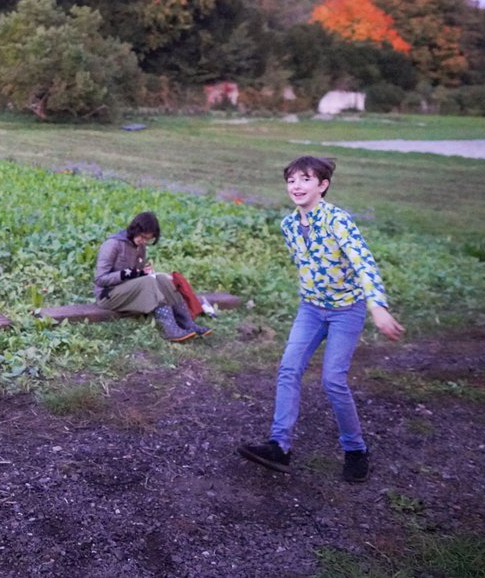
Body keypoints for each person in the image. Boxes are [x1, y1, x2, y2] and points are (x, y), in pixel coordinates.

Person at [238, 155, 404, 483]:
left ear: (323, 185)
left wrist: (377, 306)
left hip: (346, 310)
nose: (296, 186)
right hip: (311, 309)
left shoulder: (337, 221)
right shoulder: (288, 225)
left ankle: (355, 450)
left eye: (305, 179)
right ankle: (279, 446)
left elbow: (363, 262)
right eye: (291, 180)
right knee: (288, 369)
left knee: (332, 379)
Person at [94, 211, 211, 342]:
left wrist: (144, 272)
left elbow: (137, 274)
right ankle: (170, 329)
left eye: (147, 239)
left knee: (163, 280)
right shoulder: (112, 244)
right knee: (149, 282)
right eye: (142, 237)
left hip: (128, 290)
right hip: (108, 295)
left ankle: (187, 323)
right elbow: (100, 279)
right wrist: (128, 273)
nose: (144, 242)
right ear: (135, 229)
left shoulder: (141, 247)